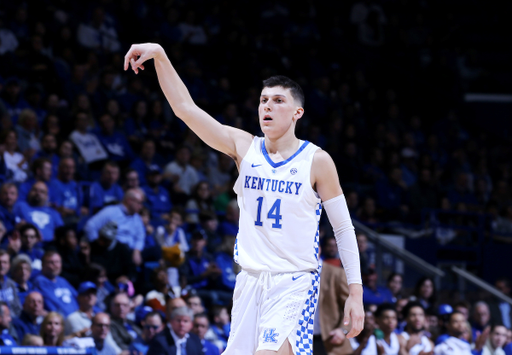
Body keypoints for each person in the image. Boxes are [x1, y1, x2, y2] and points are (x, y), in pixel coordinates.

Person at [124, 43, 364, 355]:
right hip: (248, 281)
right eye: (264, 100)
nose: (267, 106)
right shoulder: (244, 147)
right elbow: (185, 108)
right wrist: (160, 55)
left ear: (297, 113)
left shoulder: (317, 160)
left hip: (293, 283)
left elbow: (344, 229)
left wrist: (355, 294)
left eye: (278, 101)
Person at [84, 188, 145, 265]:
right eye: (139, 203)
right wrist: (97, 245)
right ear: (129, 201)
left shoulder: (136, 217)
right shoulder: (111, 211)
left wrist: (137, 250)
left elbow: (140, 237)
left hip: (131, 252)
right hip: (113, 251)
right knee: (123, 249)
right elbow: (90, 226)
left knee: (156, 251)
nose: (141, 207)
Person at [314, 257, 352, 355]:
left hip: (330, 338)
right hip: (299, 340)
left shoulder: (337, 274)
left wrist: (343, 329)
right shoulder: (293, 273)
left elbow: (350, 307)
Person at [32, 251, 79, 316]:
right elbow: (51, 304)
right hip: (60, 321)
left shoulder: (62, 280)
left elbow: (78, 297)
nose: (55, 265)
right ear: (43, 265)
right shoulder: (40, 281)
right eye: (51, 262)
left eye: (57, 262)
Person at [0, 250, 21, 316]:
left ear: (9, 265)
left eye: (5, 262)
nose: (1, 265)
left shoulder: (11, 284)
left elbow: (18, 307)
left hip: (13, 320)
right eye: (0, 262)